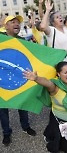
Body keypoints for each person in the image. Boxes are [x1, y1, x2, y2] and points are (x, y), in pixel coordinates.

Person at [23, 61, 67, 153]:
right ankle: (51, 131)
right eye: (65, 72)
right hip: (63, 122)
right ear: (59, 74)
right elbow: (47, 83)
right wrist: (36, 78)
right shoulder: (55, 86)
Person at [0, 15, 36, 146]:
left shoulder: (23, 40)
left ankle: (25, 126)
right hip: (2, 79)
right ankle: (6, 133)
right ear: (5, 26)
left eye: (18, 22)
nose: (16, 24)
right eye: (13, 22)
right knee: (3, 107)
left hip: (18, 77)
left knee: (22, 102)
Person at [40, 0, 67, 69]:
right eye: (57, 17)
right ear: (53, 22)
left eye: (60, 16)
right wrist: (47, 10)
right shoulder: (52, 30)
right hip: (59, 59)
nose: (60, 17)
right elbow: (42, 26)